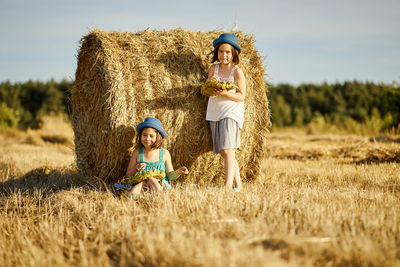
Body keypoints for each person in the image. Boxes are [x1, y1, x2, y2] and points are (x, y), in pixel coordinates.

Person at [206, 33, 245, 192]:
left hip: (231, 112)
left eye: (228, 52)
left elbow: (242, 95)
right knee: (224, 151)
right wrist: (210, 84)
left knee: (228, 149)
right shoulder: (213, 69)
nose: (224, 55)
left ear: (233, 53)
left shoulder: (237, 72)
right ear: (217, 52)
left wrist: (225, 93)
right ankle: (238, 185)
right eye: (221, 51)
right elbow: (207, 90)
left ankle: (227, 186)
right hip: (215, 112)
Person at [121, 117, 188, 197]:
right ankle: (130, 200)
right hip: (142, 184)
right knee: (138, 186)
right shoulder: (137, 153)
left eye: (151, 136)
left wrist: (179, 172)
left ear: (157, 137)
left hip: (159, 185)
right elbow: (128, 175)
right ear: (140, 136)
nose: (147, 139)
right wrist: (136, 169)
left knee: (151, 179)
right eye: (144, 135)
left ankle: (160, 197)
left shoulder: (164, 153)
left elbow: (170, 176)